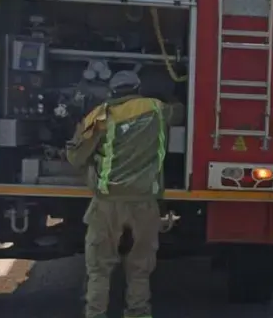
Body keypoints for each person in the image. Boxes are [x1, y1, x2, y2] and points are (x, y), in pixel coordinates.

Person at [66, 70, 184, 318]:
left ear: (112, 91)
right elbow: (181, 112)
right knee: (140, 267)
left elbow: (76, 157)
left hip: (107, 203)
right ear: (138, 88)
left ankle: (96, 314)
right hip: (145, 203)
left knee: (99, 268)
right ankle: (138, 313)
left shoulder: (100, 115)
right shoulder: (157, 109)